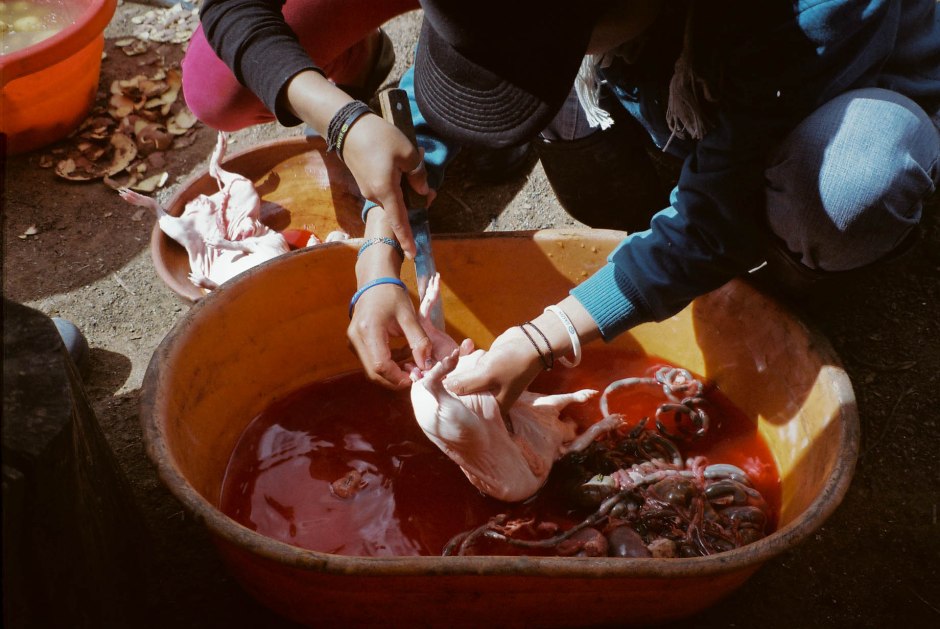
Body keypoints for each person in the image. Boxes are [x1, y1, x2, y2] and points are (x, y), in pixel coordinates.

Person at [347, 0, 940, 409]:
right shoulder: (554, 18)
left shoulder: (807, 16)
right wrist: (380, 250)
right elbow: (473, 50)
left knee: (853, 182)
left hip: (824, 104)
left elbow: (714, 219)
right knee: (586, 148)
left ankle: (792, 260)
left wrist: (544, 337)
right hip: (668, 85)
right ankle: (666, 195)